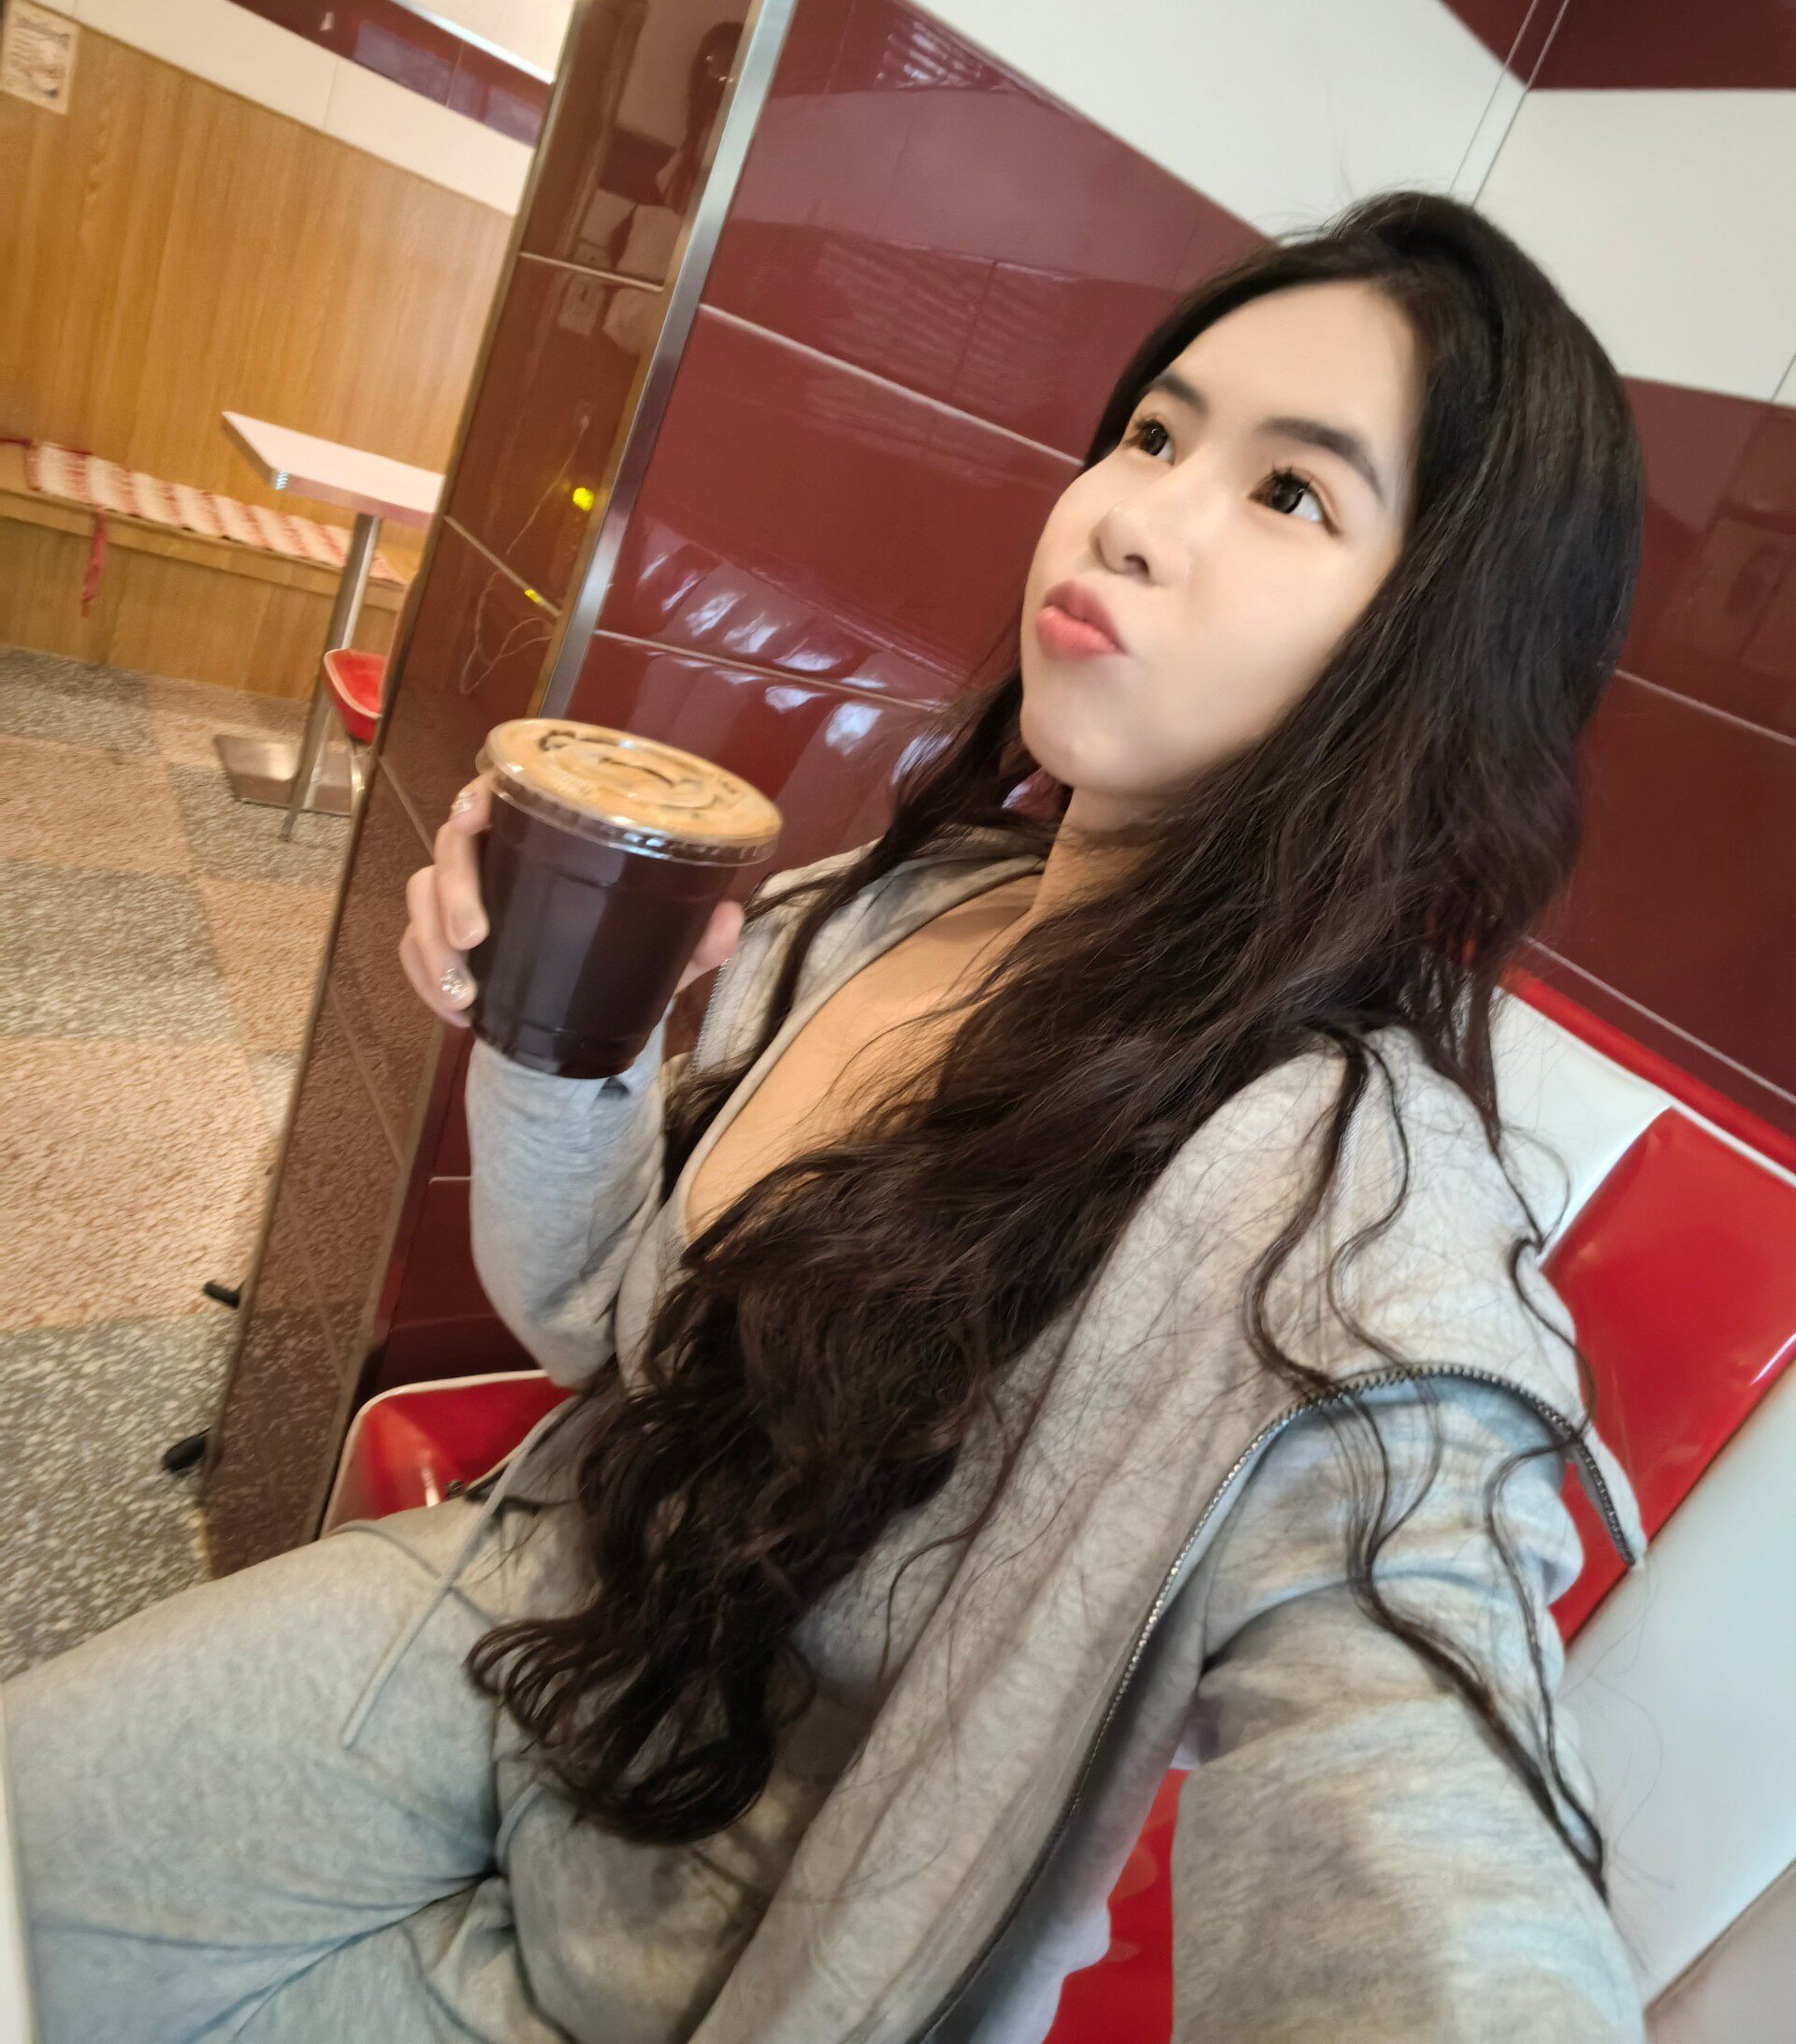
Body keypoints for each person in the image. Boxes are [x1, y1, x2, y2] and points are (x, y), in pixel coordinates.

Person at [7, 191, 1653, 2041]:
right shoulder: (875, 910)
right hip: (519, 1620)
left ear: (1443, 652)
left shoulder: (1336, 1215)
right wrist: (556, 1033)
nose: (1130, 513)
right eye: (1152, 431)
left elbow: (1418, 1752)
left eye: (1291, 491)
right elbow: (594, 1327)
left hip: (715, 1962)